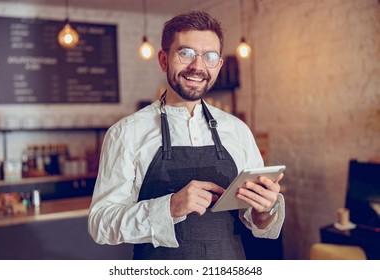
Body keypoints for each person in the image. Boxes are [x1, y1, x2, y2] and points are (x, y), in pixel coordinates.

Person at [88, 10, 285, 260]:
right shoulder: (126, 133)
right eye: (185, 53)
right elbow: (101, 224)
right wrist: (169, 207)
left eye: (209, 57)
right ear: (163, 60)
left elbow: (256, 220)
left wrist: (265, 210)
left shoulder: (238, 130)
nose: (197, 67)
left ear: (219, 65)